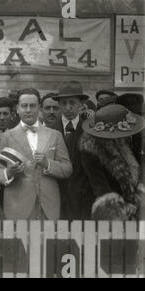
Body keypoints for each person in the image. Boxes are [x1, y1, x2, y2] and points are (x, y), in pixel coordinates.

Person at [0, 88, 72, 220]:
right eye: (24, 106)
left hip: (48, 204)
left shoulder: (55, 135)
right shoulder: (6, 137)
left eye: (32, 106)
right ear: (17, 108)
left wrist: (48, 164)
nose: (28, 110)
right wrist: (9, 173)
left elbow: (67, 169)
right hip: (17, 205)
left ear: (39, 108)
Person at [78, 104, 145, 220]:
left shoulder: (121, 141)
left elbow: (134, 170)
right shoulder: (89, 149)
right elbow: (100, 186)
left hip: (129, 206)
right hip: (104, 210)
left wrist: (136, 197)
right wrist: (123, 208)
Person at [50, 81, 90, 220]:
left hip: (83, 198)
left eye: (72, 102)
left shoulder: (89, 129)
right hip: (56, 196)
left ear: (81, 103)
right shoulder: (49, 130)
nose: (68, 107)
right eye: (64, 103)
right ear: (59, 105)